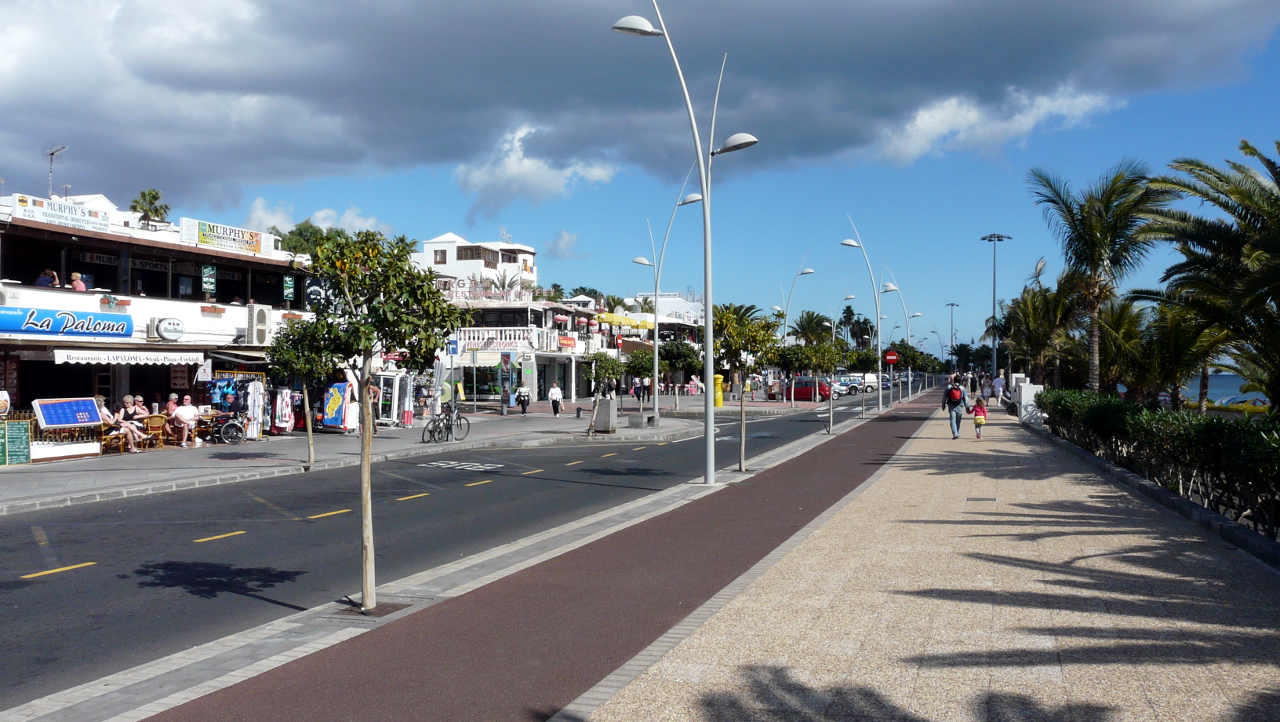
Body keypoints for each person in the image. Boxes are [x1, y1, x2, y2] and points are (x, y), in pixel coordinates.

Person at [941, 376, 970, 440]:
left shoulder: (949, 387)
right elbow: (966, 398)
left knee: (952, 420)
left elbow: (944, 397)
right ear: (960, 381)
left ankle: (955, 433)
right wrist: (967, 407)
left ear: (954, 380)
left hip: (951, 405)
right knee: (958, 420)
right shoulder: (962, 388)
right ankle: (957, 432)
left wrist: (943, 404)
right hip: (960, 405)